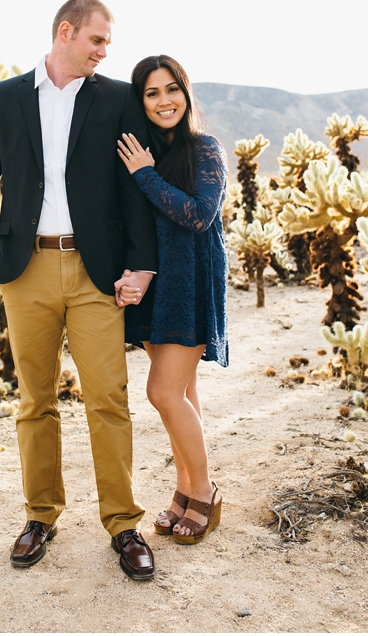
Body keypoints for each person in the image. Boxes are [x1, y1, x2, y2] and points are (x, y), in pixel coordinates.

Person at [0, 0, 160, 581]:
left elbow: (133, 189)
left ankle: (123, 524)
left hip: (96, 273)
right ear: (66, 32)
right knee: (35, 400)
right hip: (26, 272)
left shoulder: (119, 98)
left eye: (108, 45)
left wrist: (141, 263)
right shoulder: (2, 99)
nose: (104, 52)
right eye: (97, 41)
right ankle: (40, 516)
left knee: (108, 398)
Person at [116, 55, 230, 544]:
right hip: (155, 285)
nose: (164, 101)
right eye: (151, 93)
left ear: (186, 93)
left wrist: (146, 175)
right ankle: (185, 488)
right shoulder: (145, 151)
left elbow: (200, 214)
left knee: (162, 393)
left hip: (190, 284)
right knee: (181, 394)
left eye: (171, 89)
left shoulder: (204, 149)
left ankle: (204, 490)